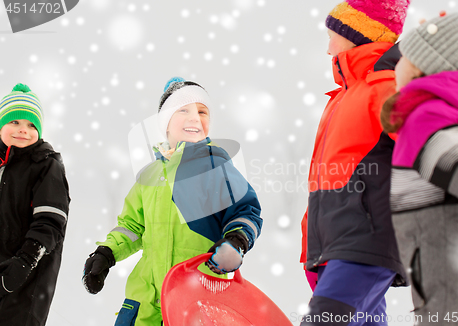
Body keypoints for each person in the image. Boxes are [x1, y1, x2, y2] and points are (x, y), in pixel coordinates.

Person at [82, 77, 263, 326]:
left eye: (202, 111)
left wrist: (236, 241)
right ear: (165, 124)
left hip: (196, 298)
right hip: (144, 303)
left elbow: (245, 211)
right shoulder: (149, 175)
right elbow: (132, 226)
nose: (195, 118)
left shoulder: (215, 167)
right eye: (183, 110)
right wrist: (108, 252)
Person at [381, 11, 458, 325]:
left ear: (421, 65)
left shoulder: (429, 120)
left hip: (456, 298)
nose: (396, 66)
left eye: (402, 57)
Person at [299, 0, 410, 324]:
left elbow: (428, 145)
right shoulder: (343, 96)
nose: (328, 48)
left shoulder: (385, 87)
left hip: (363, 244)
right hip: (337, 247)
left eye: (334, 35)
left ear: (358, 34)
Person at [0, 83, 70, 326]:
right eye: (14, 122)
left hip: (27, 277)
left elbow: (51, 221)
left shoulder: (46, 165)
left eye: (31, 125)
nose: (23, 130)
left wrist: (25, 261)